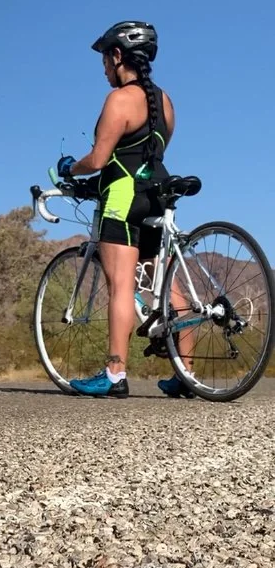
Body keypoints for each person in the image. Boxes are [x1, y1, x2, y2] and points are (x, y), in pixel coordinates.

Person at [55, 21, 193, 399]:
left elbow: (100, 158)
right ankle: (187, 373)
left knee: (121, 285)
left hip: (123, 196)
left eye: (104, 60)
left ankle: (115, 373)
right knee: (169, 285)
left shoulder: (118, 100)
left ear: (118, 57)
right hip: (158, 193)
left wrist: (70, 168)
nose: (103, 69)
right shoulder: (165, 102)